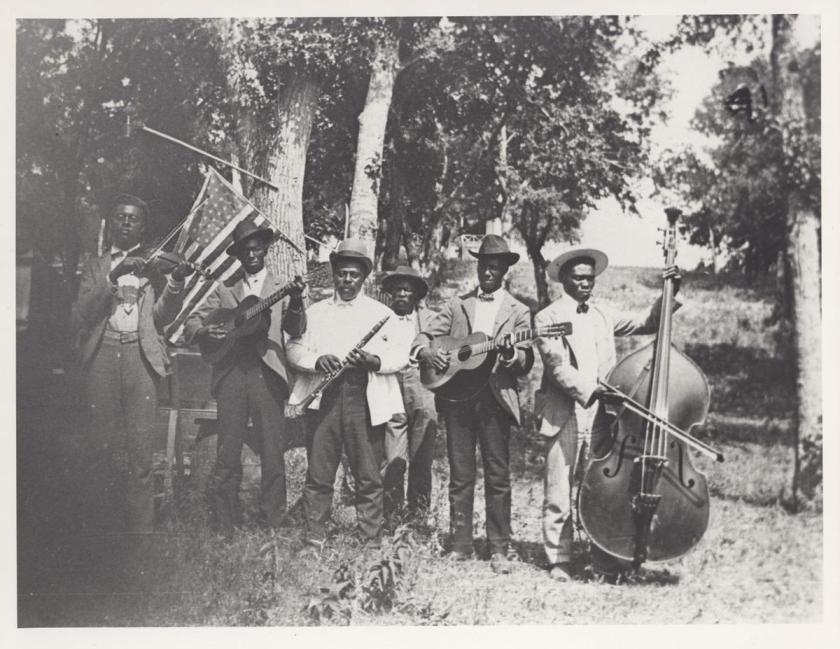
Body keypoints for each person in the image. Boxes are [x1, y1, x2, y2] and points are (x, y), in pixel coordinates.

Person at [534, 247, 681, 582]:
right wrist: (594, 389)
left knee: (599, 487)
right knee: (559, 489)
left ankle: (601, 553)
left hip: (602, 417)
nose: (586, 284)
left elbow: (649, 322)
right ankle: (559, 559)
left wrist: (669, 292)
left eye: (590, 278)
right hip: (564, 413)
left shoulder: (603, 313)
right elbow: (557, 367)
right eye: (579, 278)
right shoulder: (547, 317)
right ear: (564, 280)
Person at [71, 194, 194, 533]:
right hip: (103, 355)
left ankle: (141, 531)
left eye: (133, 218)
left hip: (142, 357)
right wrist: (114, 276)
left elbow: (163, 318)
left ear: (143, 225)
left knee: (141, 451)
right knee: (99, 446)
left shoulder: (153, 265)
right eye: (120, 217)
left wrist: (175, 281)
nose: (126, 223)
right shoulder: (96, 264)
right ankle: (96, 528)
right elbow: (81, 314)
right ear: (111, 223)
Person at [412, 234, 534, 574]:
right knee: (460, 473)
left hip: (495, 399)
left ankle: (499, 549)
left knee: (497, 475)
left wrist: (511, 353)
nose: (488, 272)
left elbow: (525, 359)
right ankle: (461, 544)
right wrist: (427, 352)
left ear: (504, 271)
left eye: (495, 266)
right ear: (477, 266)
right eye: (483, 265)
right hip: (457, 399)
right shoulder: (457, 304)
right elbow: (425, 334)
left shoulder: (518, 310)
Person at [184, 221, 306, 538]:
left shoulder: (279, 288)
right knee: (228, 451)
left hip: (266, 374)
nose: (251, 254)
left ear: (265, 250)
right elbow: (192, 322)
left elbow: (296, 329)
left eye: (256, 248)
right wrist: (204, 330)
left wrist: (295, 300)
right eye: (244, 250)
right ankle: (225, 524)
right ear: (238, 255)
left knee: (272, 451)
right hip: (232, 374)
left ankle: (273, 525)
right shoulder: (226, 289)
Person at [286, 239, 408, 553]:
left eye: (354, 274)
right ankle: (315, 538)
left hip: (364, 397)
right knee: (320, 470)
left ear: (364, 276)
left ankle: (369, 540)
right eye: (342, 274)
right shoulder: (316, 311)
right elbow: (293, 348)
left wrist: (375, 361)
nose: (347, 280)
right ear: (334, 275)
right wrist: (317, 360)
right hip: (325, 396)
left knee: (368, 471)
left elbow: (400, 355)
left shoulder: (382, 314)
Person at [379, 266, 438, 528]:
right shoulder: (381, 318)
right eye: (397, 289)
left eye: (408, 290)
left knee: (422, 455)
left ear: (416, 295)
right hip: (390, 384)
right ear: (390, 293)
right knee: (393, 457)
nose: (402, 294)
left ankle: (419, 518)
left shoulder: (432, 320)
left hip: (422, 385)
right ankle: (391, 517)